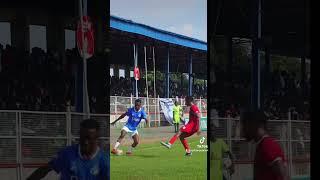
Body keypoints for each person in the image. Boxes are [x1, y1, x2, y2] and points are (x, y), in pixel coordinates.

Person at [27, 119, 109, 180]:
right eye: (82, 138)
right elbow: (44, 169)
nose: (85, 142)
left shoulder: (105, 161)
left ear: (97, 138)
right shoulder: (66, 154)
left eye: (89, 138)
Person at [241, 110, 289, 180]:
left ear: (257, 125)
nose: (244, 129)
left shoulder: (267, 145)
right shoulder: (261, 145)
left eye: (246, 124)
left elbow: (283, 177)